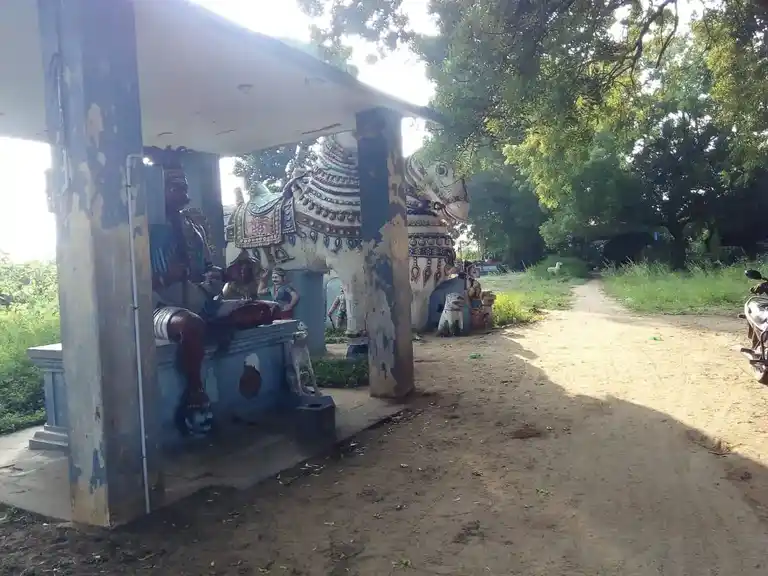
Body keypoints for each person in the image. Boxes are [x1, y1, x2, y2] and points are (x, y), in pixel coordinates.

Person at [150, 153, 278, 436]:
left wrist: (227, 274)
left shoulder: (192, 228)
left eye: (184, 186)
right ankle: (196, 391)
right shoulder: (139, 229)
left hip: (200, 301)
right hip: (157, 308)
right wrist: (164, 277)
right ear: (155, 190)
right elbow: (124, 283)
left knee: (266, 309)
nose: (183, 193)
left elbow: (206, 271)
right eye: (175, 187)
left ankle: (216, 330)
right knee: (190, 325)